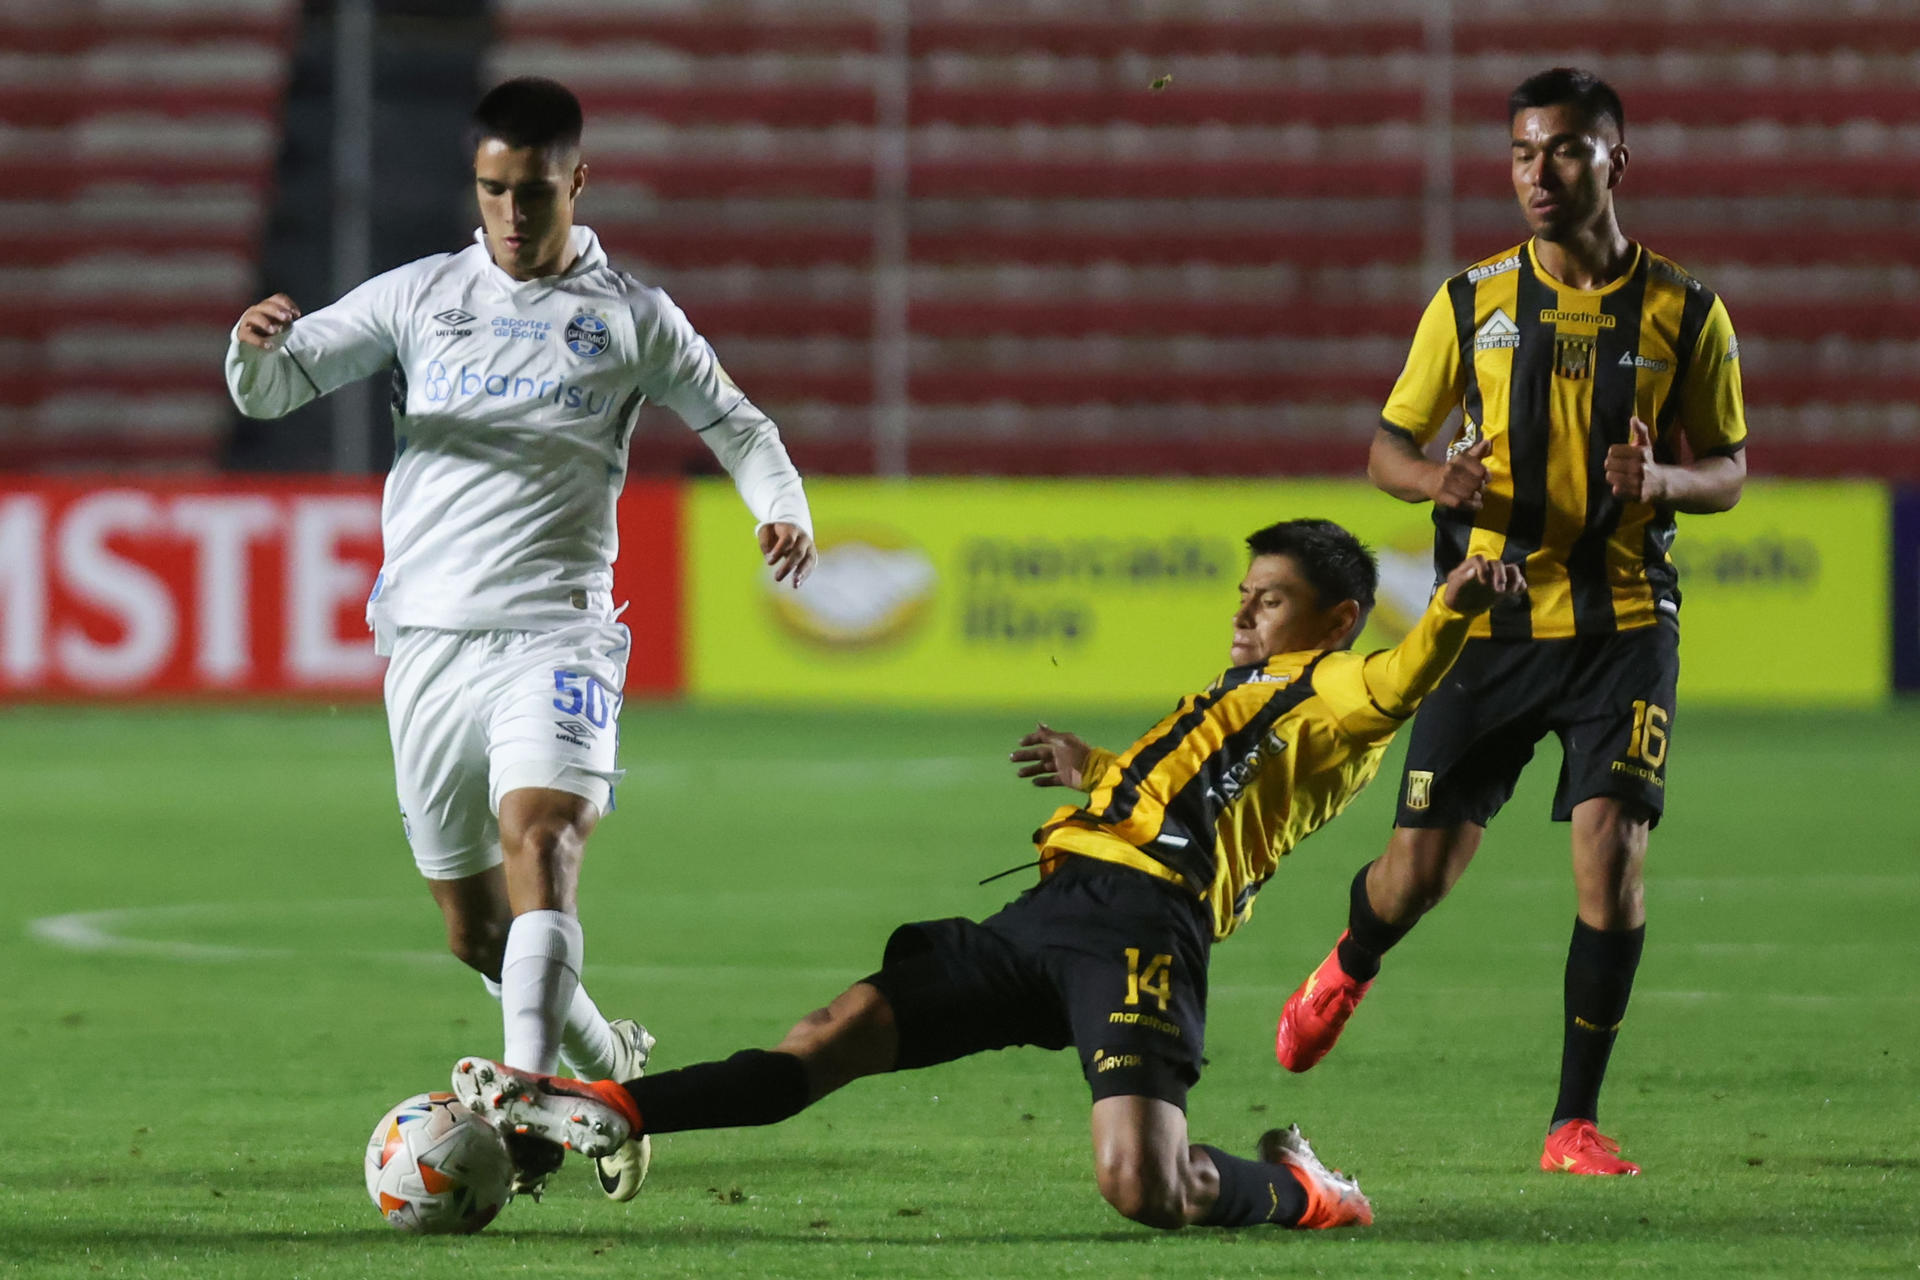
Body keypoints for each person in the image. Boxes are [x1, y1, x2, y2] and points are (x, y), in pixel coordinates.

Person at [448, 519, 1525, 1232]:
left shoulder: (1336, 685)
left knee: (1141, 1184)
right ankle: (606, 1102)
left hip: (1143, 929)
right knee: (826, 1036)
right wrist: (1095, 768)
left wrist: (1455, 604)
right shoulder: (1250, 691)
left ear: (1336, 617)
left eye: (1271, 599)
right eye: (1245, 594)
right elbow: (1198, 789)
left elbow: (1399, 679)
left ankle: (1301, 1189)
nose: (1244, 613)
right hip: (1050, 909)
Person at [225, 77, 817, 1202]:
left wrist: (778, 504)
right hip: (428, 648)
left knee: (543, 836)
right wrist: (254, 348)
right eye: (493, 188)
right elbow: (281, 379)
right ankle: (608, 1060)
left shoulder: (634, 315)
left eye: (532, 191)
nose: (510, 211)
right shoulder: (420, 296)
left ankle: (529, 1092)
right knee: (472, 928)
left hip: (558, 633)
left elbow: (738, 422)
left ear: (576, 181)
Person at [1272, 68, 1747, 1178]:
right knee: (1415, 875)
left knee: (1612, 853)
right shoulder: (1468, 302)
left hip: (1624, 619)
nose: (1540, 172)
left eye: (1566, 151)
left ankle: (1571, 1123)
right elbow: (1386, 447)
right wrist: (1435, 479)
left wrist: (1664, 484)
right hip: (1486, 622)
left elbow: (1727, 467)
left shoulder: (1685, 309)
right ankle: (1349, 959)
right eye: (1525, 153)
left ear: (1615, 160)